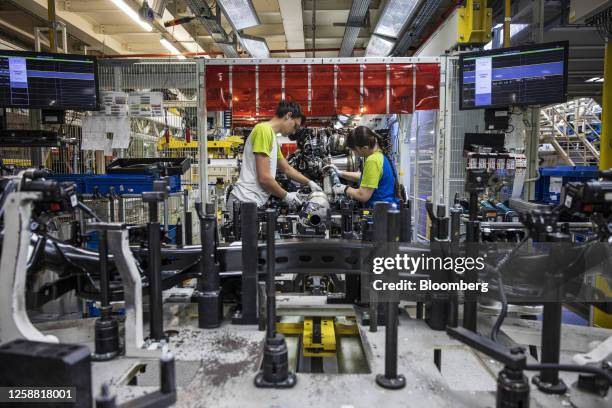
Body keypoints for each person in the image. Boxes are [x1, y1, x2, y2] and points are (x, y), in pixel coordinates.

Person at [227, 100, 322, 211]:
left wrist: (309, 182)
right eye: (295, 126)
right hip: (244, 201)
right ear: (288, 115)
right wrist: (286, 196)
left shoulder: (271, 136)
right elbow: (264, 178)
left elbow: (286, 169)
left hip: (250, 202)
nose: (294, 132)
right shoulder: (263, 130)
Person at [327, 126, 400, 207]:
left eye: (354, 150)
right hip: (387, 211)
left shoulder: (373, 160)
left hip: (380, 214)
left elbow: (363, 195)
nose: (354, 153)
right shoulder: (380, 156)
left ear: (365, 148)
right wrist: (340, 173)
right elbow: (365, 178)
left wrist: (344, 189)